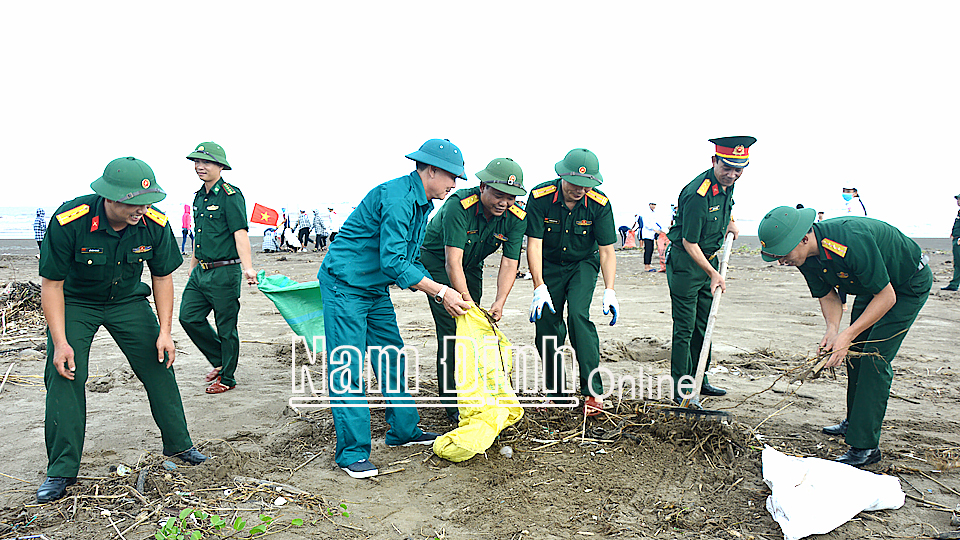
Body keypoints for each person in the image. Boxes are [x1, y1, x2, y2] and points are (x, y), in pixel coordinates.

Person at [36, 156, 206, 504]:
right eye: (133, 203)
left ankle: (180, 446)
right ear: (109, 198)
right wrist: (60, 342)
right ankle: (61, 470)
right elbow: (51, 285)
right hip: (76, 302)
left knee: (160, 362)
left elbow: (162, 277)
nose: (141, 209)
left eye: (147, 202)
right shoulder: (70, 221)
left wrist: (165, 331)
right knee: (64, 372)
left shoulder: (154, 224)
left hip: (127, 300)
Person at [317, 139, 472, 479]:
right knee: (348, 365)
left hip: (373, 287)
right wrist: (441, 291)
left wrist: (443, 293)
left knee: (391, 355)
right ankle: (352, 453)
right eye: (451, 176)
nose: (455, 184)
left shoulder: (422, 203)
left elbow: (410, 259)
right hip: (345, 284)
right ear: (429, 170)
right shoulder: (399, 198)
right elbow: (394, 261)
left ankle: (403, 431)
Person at [758, 206, 932, 467]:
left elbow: (887, 296)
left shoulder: (849, 240)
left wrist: (848, 335)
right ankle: (856, 421)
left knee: (874, 358)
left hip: (905, 285)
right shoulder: (803, 256)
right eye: (775, 256)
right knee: (854, 354)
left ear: (804, 238)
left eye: (783, 255)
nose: (782, 261)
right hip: (871, 286)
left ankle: (865, 447)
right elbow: (828, 295)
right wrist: (833, 331)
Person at [419, 157, 528, 424]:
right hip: (437, 260)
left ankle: (473, 391)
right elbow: (451, 261)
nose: (504, 202)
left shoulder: (516, 217)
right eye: (499, 195)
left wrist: (500, 302)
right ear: (482, 187)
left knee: (473, 329)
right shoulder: (460, 206)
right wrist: (464, 301)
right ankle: (453, 402)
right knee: (453, 326)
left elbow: (510, 262)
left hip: (471, 263)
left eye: (511, 197)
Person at [526, 148, 619, 417]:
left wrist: (609, 290)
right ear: (561, 175)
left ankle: (592, 391)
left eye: (587, 185)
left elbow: (606, 251)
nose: (580, 190)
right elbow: (533, 244)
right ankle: (556, 393)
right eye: (576, 184)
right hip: (549, 265)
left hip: (582, 265)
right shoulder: (540, 197)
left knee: (578, 316)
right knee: (547, 323)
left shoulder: (600, 204)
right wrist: (539, 285)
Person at [667, 136, 756, 402]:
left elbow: (724, 207)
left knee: (703, 326)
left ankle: (699, 378)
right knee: (685, 328)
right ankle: (681, 389)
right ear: (714, 161)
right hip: (687, 263)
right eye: (727, 167)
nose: (732, 174)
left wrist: (730, 222)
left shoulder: (727, 185)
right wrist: (714, 273)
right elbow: (689, 242)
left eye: (738, 169)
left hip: (708, 261)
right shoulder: (698, 194)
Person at [179, 142, 258, 395]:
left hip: (225, 271)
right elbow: (198, 236)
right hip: (200, 270)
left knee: (226, 327)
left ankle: (228, 378)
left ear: (220, 166)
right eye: (197, 162)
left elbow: (240, 233)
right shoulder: (199, 197)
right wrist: (193, 266)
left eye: (207, 162)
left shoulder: (230, 195)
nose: (200, 167)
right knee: (188, 317)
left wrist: (248, 268)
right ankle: (221, 358)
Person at [639, 202, 663, 272]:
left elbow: (655, 223)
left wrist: (660, 230)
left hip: (652, 234)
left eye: (654, 205)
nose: (653, 206)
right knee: (648, 250)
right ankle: (646, 266)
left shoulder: (654, 213)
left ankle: (648, 265)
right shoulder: (646, 213)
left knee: (651, 250)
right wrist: (655, 230)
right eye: (652, 204)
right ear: (649, 205)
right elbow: (646, 224)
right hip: (647, 234)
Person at [944, 193, 960, 291]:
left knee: (958, 263)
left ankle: (954, 285)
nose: (958, 201)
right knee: (957, 263)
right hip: (956, 239)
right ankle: (954, 284)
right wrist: (953, 233)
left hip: (959, 241)